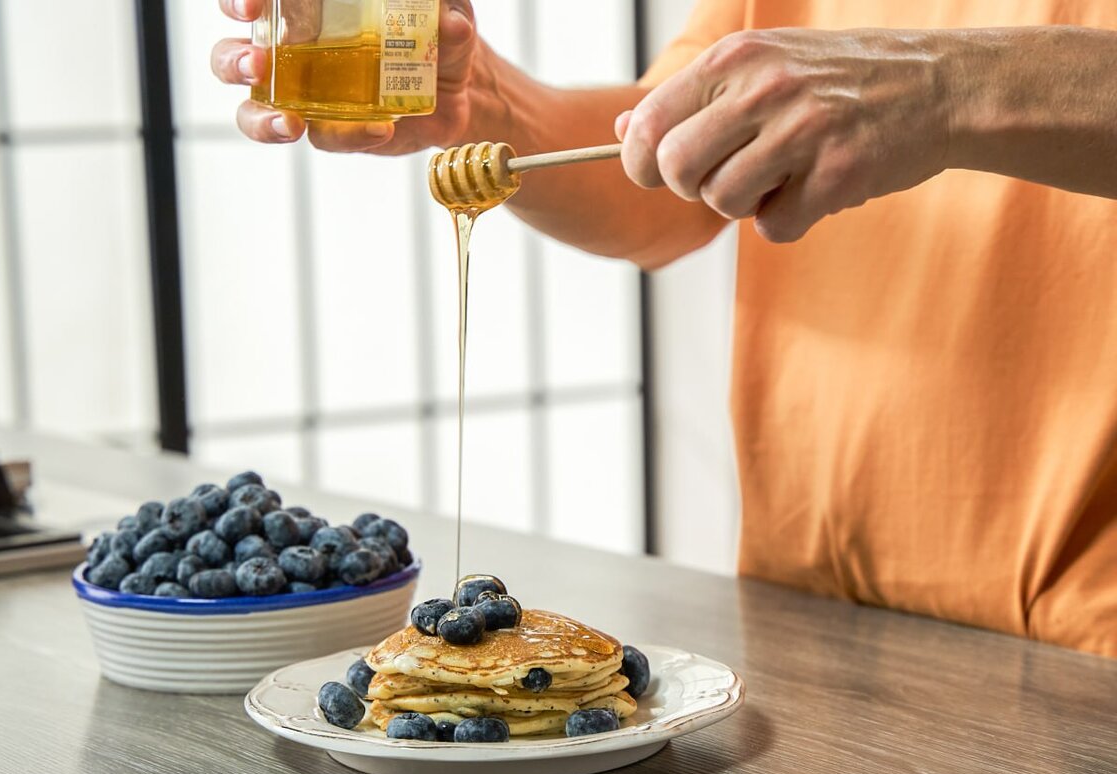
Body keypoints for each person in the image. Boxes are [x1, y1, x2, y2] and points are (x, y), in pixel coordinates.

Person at [211, 0, 1117, 658]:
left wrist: (950, 86)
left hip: (1089, 645)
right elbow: (661, 187)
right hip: (812, 618)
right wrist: (490, 106)